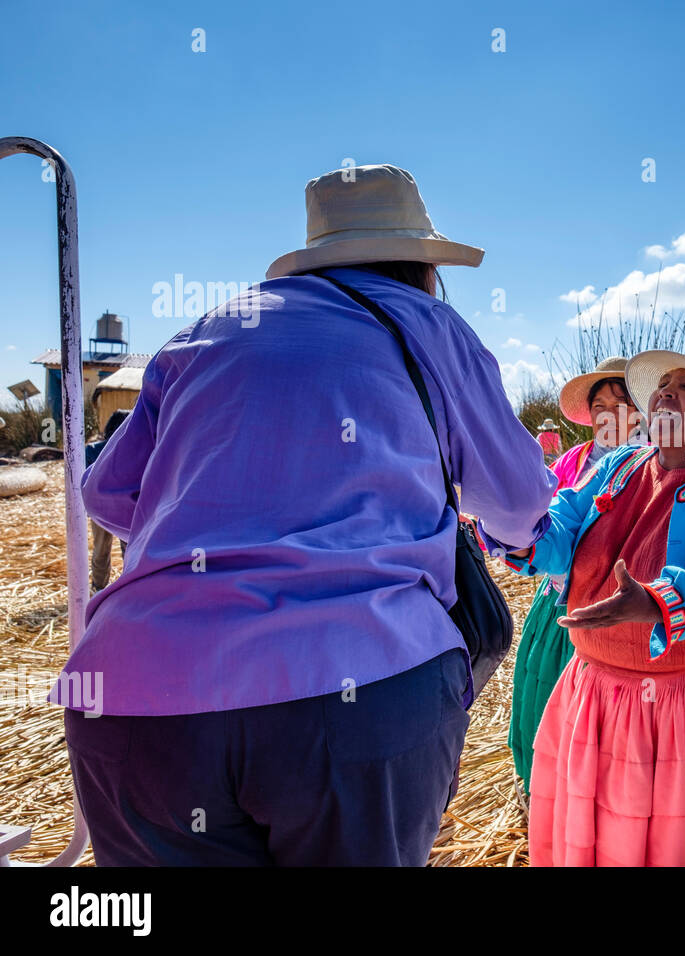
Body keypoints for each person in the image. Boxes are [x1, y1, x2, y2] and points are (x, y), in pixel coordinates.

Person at [50, 163, 557, 866]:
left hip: (132, 695)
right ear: (422, 264)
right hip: (355, 693)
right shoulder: (429, 324)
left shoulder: (209, 327)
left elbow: (107, 494)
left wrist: (211, 540)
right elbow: (522, 503)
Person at [499, 350, 685, 866]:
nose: (666, 392)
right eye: (663, 384)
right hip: (601, 689)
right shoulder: (618, 465)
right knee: (608, 838)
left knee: (683, 841)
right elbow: (561, 523)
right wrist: (521, 536)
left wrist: (658, 601)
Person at [508, 357, 643, 793]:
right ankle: (543, 790)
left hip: (620, 609)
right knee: (542, 685)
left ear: (642, 409)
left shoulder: (658, 463)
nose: (610, 415)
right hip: (559, 601)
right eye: (600, 406)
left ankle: (583, 798)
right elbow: (550, 520)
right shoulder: (573, 460)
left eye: (620, 403)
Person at [85, 408, 130, 592]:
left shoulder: (92, 450)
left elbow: (85, 480)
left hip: (99, 507)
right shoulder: (130, 449)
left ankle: (98, 588)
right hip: (125, 506)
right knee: (130, 548)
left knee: (101, 549)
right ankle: (130, 587)